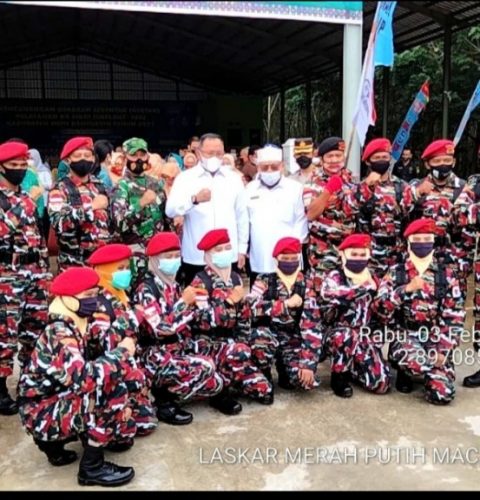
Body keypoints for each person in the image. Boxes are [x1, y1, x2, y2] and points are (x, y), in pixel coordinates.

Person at [18, 267, 137, 486]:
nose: (93, 301)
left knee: (123, 428)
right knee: (114, 391)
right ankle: (92, 468)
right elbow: (85, 379)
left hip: (50, 400)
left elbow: (101, 343)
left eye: (95, 294)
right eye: (88, 296)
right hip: (40, 411)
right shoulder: (59, 332)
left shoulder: (75, 321)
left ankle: (53, 446)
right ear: (67, 298)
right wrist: (122, 352)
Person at [133, 232, 223, 425]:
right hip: (154, 353)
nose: (174, 261)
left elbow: (190, 321)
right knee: (206, 367)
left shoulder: (173, 285)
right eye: (168, 257)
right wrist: (184, 303)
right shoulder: (146, 290)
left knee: (218, 374)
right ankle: (163, 400)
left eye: (176, 256)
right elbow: (161, 328)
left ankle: (176, 389)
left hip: (177, 346)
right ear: (155, 260)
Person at [374, 218, 465, 405]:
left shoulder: (446, 274)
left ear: (433, 242)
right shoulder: (397, 272)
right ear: (409, 242)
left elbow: (454, 316)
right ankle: (407, 369)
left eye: (426, 239)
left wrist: (443, 350)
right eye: (417, 239)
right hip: (405, 335)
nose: (422, 244)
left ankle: (432, 373)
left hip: (435, 338)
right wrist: (405, 290)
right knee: (417, 362)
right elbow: (379, 309)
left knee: (443, 395)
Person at [189, 229, 274, 410]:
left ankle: (252, 373)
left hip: (233, 338)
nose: (225, 253)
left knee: (263, 338)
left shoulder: (234, 278)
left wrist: (244, 339)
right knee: (237, 351)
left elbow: (243, 316)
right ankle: (220, 392)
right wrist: (228, 303)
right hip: (209, 341)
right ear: (208, 254)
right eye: (218, 250)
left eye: (227, 248)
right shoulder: (200, 281)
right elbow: (201, 320)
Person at [0, 140, 51, 415]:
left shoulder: (25, 196)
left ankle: (29, 383)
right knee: (5, 334)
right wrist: (27, 203)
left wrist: (45, 272)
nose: (19, 169)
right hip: (7, 275)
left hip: (35, 274)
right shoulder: (20, 200)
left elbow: (37, 237)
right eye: (13, 165)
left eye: (23, 164)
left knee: (35, 331)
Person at [86, 244, 157, 439]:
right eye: (119, 268)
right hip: (109, 373)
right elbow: (103, 345)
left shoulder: (122, 295)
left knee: (146, 423)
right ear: (104, 271)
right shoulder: (98, 303)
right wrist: (132, 317)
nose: (126, 273)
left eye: (127, 268)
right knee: (124, 434)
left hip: (129, 369)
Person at [165, 133, 248, 286]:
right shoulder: (185, 178)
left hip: (226, 255)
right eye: (210, 153)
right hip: (196, 256)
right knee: (196, 297)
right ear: (198, 153)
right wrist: (193, 200)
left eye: (219, 153)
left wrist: (242, 249)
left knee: (229, 296)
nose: (214, 157)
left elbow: (242, 216)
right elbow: (170, 210)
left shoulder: (233, 179)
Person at [320, 233, 391, 398]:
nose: (358, 259)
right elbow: (329, 294)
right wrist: (362, 288)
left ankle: (353, 367)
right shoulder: (335, 276)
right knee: (346, 335)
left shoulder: (375, 279)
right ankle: (339, 375)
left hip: (365, 335)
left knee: (381, 384)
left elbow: (384, 309)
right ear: (343, 255)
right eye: (353, 254)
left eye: (362, 255)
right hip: (338, 335)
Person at [248, 237, 323, 391]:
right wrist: (283, 305)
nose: (290, 262)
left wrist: (307, 364)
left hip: (292, 338)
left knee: (304, 382)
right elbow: (249, 307)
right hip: (269, 334)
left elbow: (312, 325)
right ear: (276, 260)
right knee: (259, 337)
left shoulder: (306, 284)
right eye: (285, 259)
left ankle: (285, 369)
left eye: (293, 258)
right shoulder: (264, 280)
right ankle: (264, 374)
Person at [410, 139, 474, 299]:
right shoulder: (416, 188)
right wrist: (416, 195)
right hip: (422, 259)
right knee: (422, 305)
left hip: (454, 260)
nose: (442, 164)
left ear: (454, 162)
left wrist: (464, 262)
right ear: (427, 164)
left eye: (447, 160)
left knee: (452, 307)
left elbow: (469, 230)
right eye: (437, 161)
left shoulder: (464, 189)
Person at [246, 144, 308, 284]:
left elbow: (301, 221)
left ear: (282, 166)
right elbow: (246, 222)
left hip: (289, 258)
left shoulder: (295, 188)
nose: (269, 170)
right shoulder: (249, 189)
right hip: (259, 255)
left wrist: (292, 249)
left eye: (274, 167)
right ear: (258, 168)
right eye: (265, 167)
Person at [48, 136, 112, 271]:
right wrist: (91, 207)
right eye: (77, 156)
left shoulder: (100, 186)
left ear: (93, 159)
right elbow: (58, 223)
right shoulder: (59, 189)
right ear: (68, 160)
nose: (83, 159)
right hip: (75, 264)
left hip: (102, 262)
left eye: (87, 155)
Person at [111, 137, 168, 288]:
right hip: (135, 253)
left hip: (158, 252)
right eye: (134, 155)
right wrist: (141, 203)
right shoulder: (121, 186)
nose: (139, 159)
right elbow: (119, 223)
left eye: (142, 155)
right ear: (125, 158)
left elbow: (165, 217)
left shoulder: (156, 184)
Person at [354, 138, 414, 277]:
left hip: (397, 253)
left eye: (385, 157)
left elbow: (409, 218)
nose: (381, 161)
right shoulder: (358, 188)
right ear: (368, 161)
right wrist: (367, 188)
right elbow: (351, 211)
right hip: (369, 255)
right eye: (377, 158)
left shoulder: (402, 187)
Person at [306, 136, 358, 295]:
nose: (334, 160)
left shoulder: (352, 179)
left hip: (350, 251)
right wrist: (328, 190)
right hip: (324, 252)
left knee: (348, 294)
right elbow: (311, 214)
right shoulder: (313, 180)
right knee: (324, 295)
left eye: (338, 155)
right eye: (329, 156)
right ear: (322, 159)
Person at [289, 138, 320, 274]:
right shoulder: (290, 180)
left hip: (318, 232)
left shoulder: (321, 177)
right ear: (294, 155)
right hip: (299, 234)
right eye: (299, 154)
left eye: (306, 153)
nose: (303, 157)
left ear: (313, 153)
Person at [29, 148, 53, 240]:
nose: (30, 161)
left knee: (44, 224)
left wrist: (39, 185)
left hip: (44, 203)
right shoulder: (28, 172)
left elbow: (50, 185)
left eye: (32, 159)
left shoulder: (44, 171)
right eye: (29, 159)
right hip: (33, 202)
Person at [160, 161, 184, 234]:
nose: (167, 179)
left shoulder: (183, 188)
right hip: (167, 225)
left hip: (182, 224)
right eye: (164, 177)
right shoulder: (161, 188)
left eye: (170, 177)